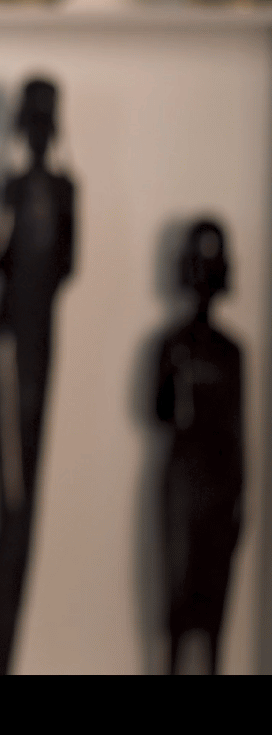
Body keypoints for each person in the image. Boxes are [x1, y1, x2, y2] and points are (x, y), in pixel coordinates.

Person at [0, 77, 75, 675]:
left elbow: (66, 267)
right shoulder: (4, 190)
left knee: (29, 510)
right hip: (8, 346)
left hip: (42, 345)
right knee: (12, 507)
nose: (38, 134)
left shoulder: (65, 191)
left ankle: (6, 656)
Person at [153, 219, 244, 675]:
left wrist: (240, 497)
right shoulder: (174, 346)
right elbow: (159, 411)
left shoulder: (232, 352)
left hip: (220, 481)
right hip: (184, 478)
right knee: (177, 596)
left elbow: (238, 428)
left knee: (215, 607)